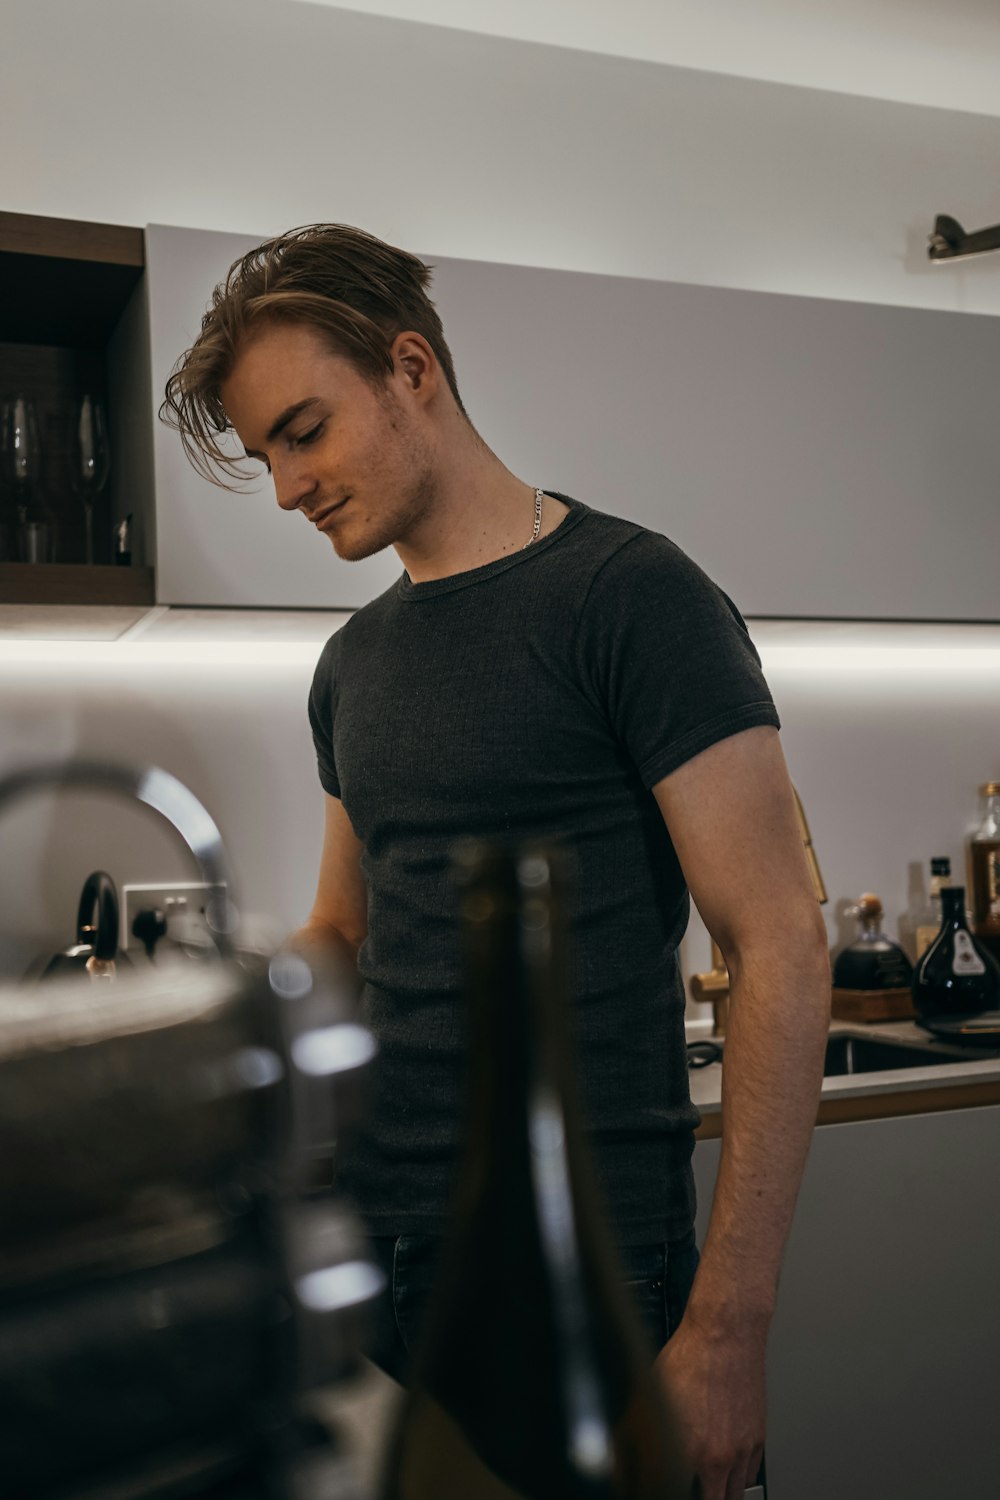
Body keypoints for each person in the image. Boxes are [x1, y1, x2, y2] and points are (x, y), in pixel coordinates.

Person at [161, 223, 831, 1500]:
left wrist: (730, 1333)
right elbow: (347, 939)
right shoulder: (351, 665)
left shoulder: (633, 597)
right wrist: (196, 1025)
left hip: (585, 1257)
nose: (289, 485)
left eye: (305, 430)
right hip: (384, 1247)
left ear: (411, 367)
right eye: (265, 457)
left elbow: (778, 942)